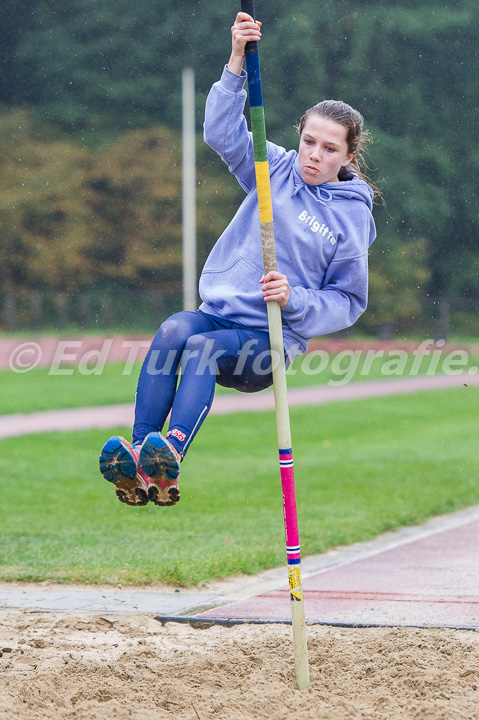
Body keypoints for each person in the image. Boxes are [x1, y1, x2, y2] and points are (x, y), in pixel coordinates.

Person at [99, 12, 377, 507]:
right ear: (299, 136)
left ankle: (172, 456)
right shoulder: (275, 171)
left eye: (329, 148)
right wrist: (235, 61)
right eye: (309, 141)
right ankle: (144, 454)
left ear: (348, 157)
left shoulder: (352, 219)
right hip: (219, 314)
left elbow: (349, 299)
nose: (314, 154)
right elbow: (221, 133)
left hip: (269, 341)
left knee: (202, 349)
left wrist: (295, 300)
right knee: (174, 331)